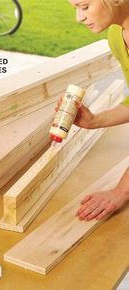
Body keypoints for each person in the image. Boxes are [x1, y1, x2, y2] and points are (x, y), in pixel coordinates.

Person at [65, 0, 129, 221]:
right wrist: (93, 121)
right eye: (75, 8)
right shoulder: (116, 35)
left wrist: (121, 191)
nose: (79, 18)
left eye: (84, 6)